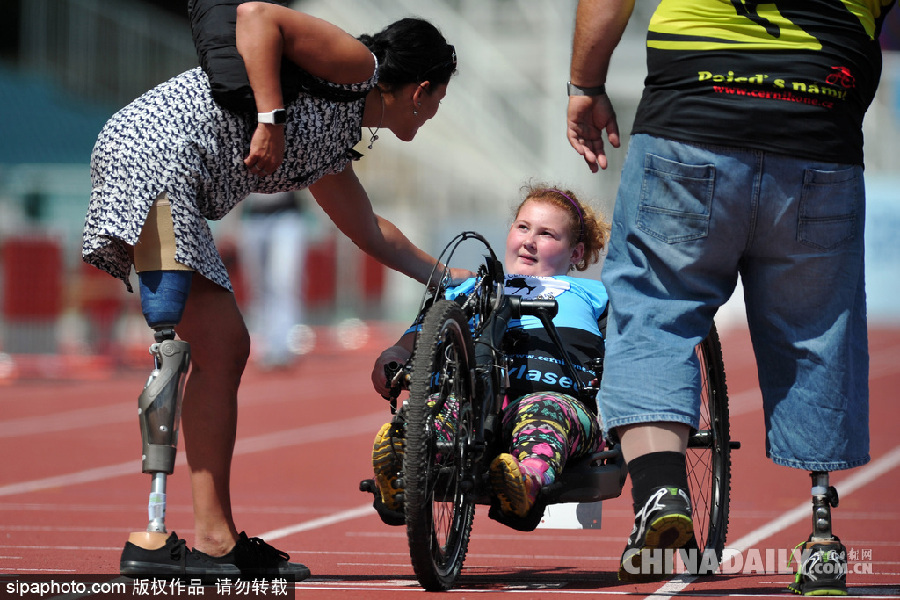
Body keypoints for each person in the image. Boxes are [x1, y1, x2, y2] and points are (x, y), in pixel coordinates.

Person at [82, 2, 468, 580]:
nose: (436, 112)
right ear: (420, 89)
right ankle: (190, 539)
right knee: (211, 347)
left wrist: (446, 279)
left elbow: (370, 233)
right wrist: (269, 118)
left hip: (160, 165)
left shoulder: (333, 142)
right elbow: (258, 16)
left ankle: (215, 541)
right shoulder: (355, 65)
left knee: (223, 348)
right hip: (155, 157)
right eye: (439, 99)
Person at [566, 0, 896, 592]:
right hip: (819, 125)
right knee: (818, 328)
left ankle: (662, 495)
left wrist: (585, 84)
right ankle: (820, 534)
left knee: (654, 310)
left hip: (691, 120)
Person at [369, 185, 611, 524]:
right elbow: (411, 341)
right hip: (472, 405)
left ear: (575, 252)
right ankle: (401, 466)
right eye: (523, 227)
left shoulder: (594, 293)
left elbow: (630, 350)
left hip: (557, 402)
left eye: (546, 234)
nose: (529, 240)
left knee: (543, 412)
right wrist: (392, 358)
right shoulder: (469, 287)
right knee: (439, 414)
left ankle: (526, 482)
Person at [240, 191, 308, 370]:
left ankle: (283, 346)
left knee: (283, 281)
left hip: (286, 214)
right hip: (252, 216)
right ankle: (263, 344)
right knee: (257, 285)